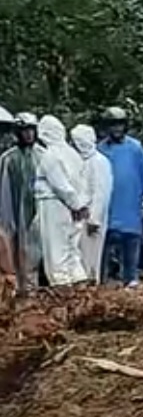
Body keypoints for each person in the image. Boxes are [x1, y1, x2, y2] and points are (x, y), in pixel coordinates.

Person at [98, 107, 143, 288]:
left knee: (131, 242)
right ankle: (101, 280)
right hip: (107, 204)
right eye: (113, 125)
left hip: (130, 202)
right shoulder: (99, 149)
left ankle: (131, 278)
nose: (117, 129)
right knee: (104, 245)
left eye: (120, 125)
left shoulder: (135, 147)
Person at [34, 116, 89, 287]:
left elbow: (61, 185)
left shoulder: (50, 156)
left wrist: (75, 204)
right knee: (72, 247)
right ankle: (79, 279)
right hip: (73, 206)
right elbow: (80, 182)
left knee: (55, 248)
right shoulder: (73, 154)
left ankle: (61, 286)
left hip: (54, 204)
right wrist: (80, 204)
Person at [0, 113, 43, 293]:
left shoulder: (43, 155)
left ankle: (32, 292)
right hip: (13, 215)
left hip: (36, 214)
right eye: (24, 130)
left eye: (31, 130)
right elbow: (4, 190)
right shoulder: (8, 158)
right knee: (12, 254)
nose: (28, 135)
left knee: (34, 255)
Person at [70, 124, 113, 284]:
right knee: (79, 257)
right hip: (79, 216)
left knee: (91, 258)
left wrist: (94, 219)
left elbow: (101, 193)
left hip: (92, 219)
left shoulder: (100, 162)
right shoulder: (80, 161)